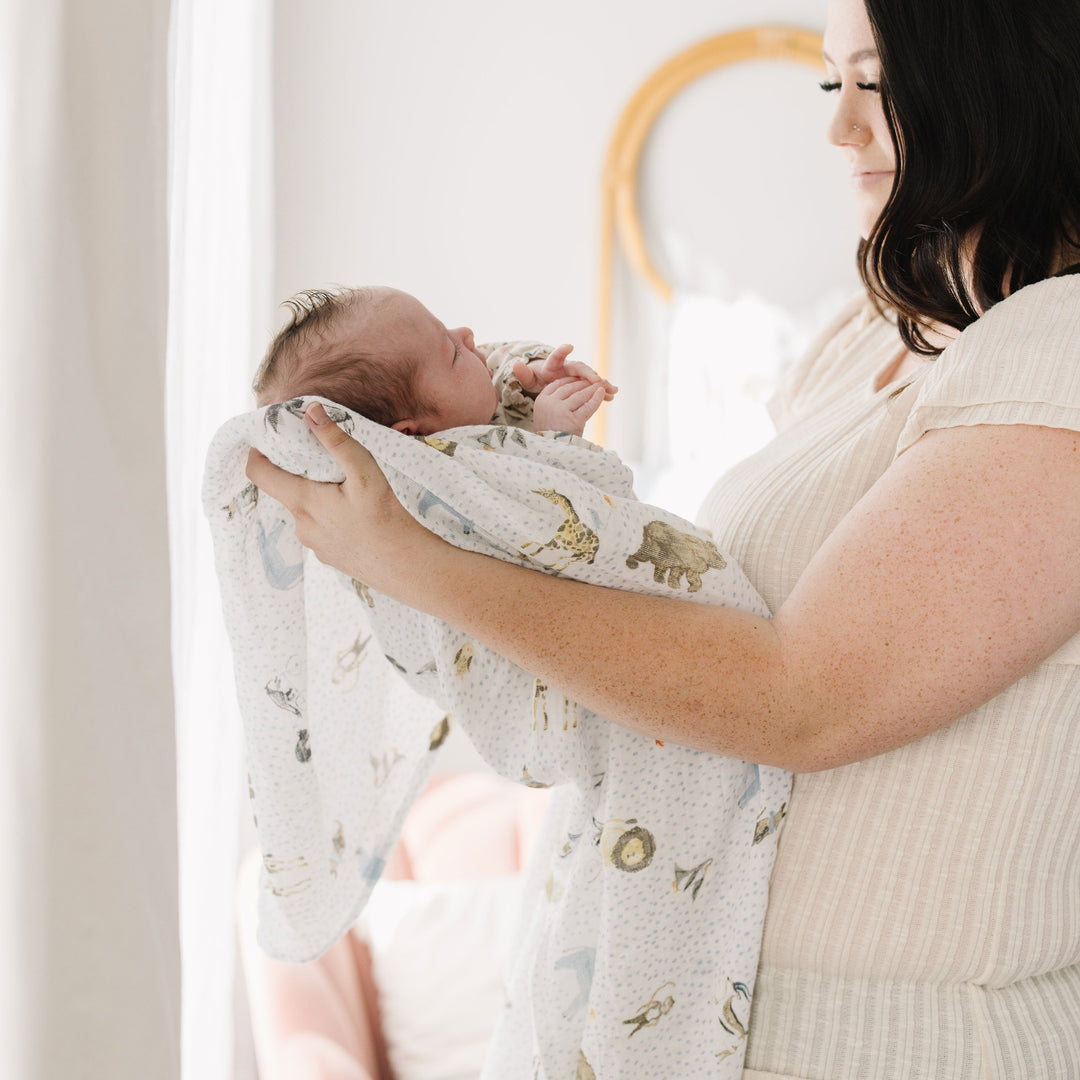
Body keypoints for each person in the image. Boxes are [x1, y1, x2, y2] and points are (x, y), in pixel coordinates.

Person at [246, 0, 1080, 1075]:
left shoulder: (1057, 353)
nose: (840, 131)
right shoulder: (876, 337)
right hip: (698, 1013)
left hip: (891, 1041)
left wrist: (410, 560)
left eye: (875, 83)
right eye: (833, 86)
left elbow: (801, 698)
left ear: (1006, 82)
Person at [251, 284, 616, 438]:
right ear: (411, 433)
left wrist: (529, 381)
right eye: (454, 353)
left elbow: (490, 391)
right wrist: (555, 438)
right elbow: (559, 527)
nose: (467, 334)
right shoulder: (447, 484)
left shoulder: (454, 418)